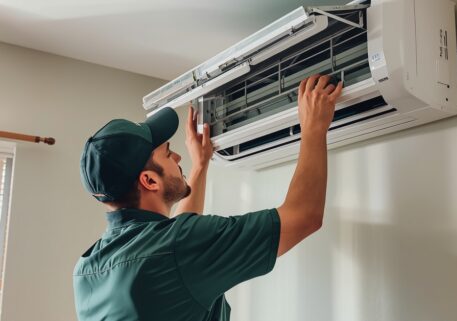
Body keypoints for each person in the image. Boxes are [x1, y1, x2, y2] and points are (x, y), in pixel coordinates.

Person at [74, 74, 343, 321]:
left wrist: (200, 166)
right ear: (149, 181)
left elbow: (171, 251)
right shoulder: (177, 246)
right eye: (168, 153)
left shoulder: (86, 271)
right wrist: (313, 128)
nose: (178, 157)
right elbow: (303, 216)